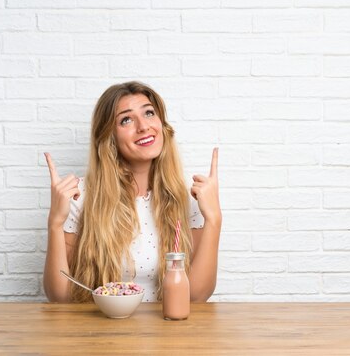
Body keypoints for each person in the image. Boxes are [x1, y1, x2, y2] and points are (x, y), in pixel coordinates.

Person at [43, 81, 222, 303]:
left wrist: (214, 219)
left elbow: (195, 297)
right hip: (99, 333)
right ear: (109, 137)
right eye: (126, 119)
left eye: (149, 113)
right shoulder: (80, 196)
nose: (144, 126)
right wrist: (55, 222)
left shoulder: (189, 197)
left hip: (167, 333)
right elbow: (59, 297)